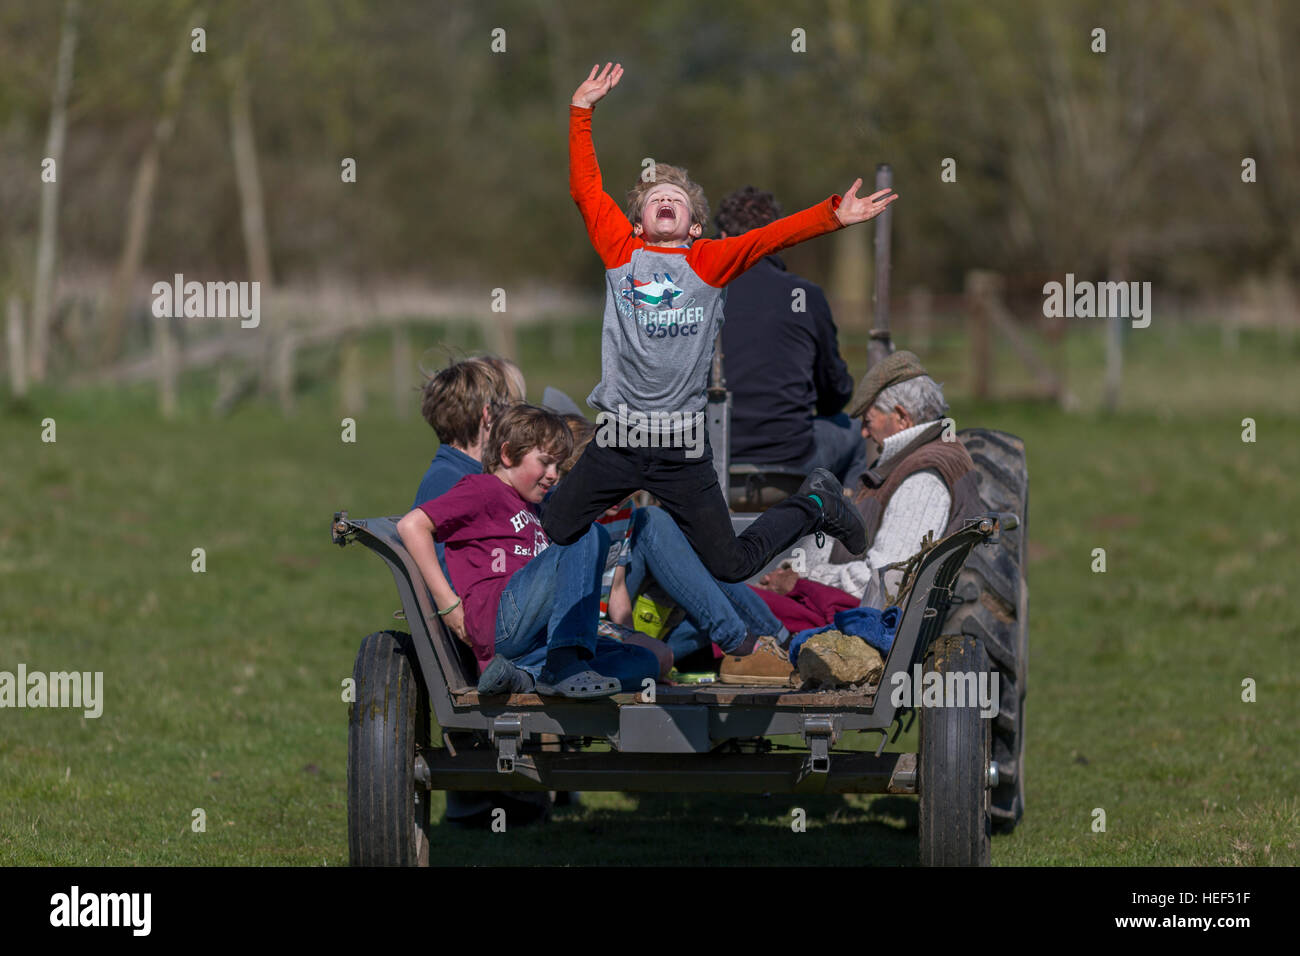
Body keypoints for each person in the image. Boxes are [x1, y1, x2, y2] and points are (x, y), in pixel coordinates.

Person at [542, 62, 898, 585]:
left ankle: (817, 502)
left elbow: (769, 238)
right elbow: (586, 189)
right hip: (617, 443)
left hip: (682, 449)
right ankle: (616, 588)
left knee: (731, 566)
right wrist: (581, 112)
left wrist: (832, 216)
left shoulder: (708, 262)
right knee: (554, 527)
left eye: (678, 200)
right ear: (638, 222)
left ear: (695, 225)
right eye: (654, 198)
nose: (667, 200)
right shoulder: (620, 252)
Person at [398, 403, 659, 698]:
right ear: (508, 454)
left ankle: (526, 677)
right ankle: (565, 664)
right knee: (587, 531)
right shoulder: (482, 489)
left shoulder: (535, 507)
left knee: (645, 662)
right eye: (545, 462)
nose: (553, 475)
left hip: (531, 638)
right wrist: (448, 606)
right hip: (498, 620)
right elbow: (412, 526)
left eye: (558, 466)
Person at [715, 185, 867, 485]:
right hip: (790, 458)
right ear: (781, 238)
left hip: (708, 456)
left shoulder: (697, 294)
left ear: (721, 238)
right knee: (854, 435)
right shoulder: (804, 295)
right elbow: (834, 393)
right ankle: (845, 526)